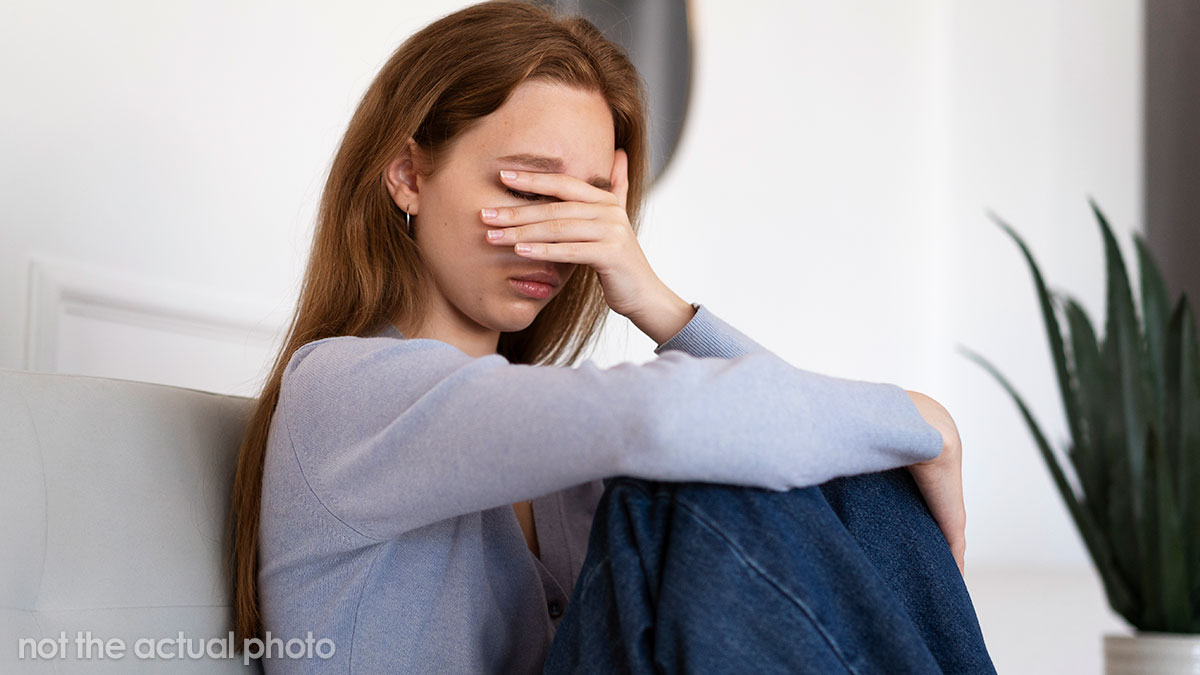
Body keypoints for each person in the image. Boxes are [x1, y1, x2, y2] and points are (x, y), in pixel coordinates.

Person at [226, 1, 997, 672]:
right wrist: (917, 418)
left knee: (838, 469)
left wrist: (654, 299)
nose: (560, 237)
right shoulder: (339, 389)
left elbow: (783, 445)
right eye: (528, 187)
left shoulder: (566, 473)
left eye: (593, 202)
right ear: (408, 175)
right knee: (703, 470)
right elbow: (670, 420)